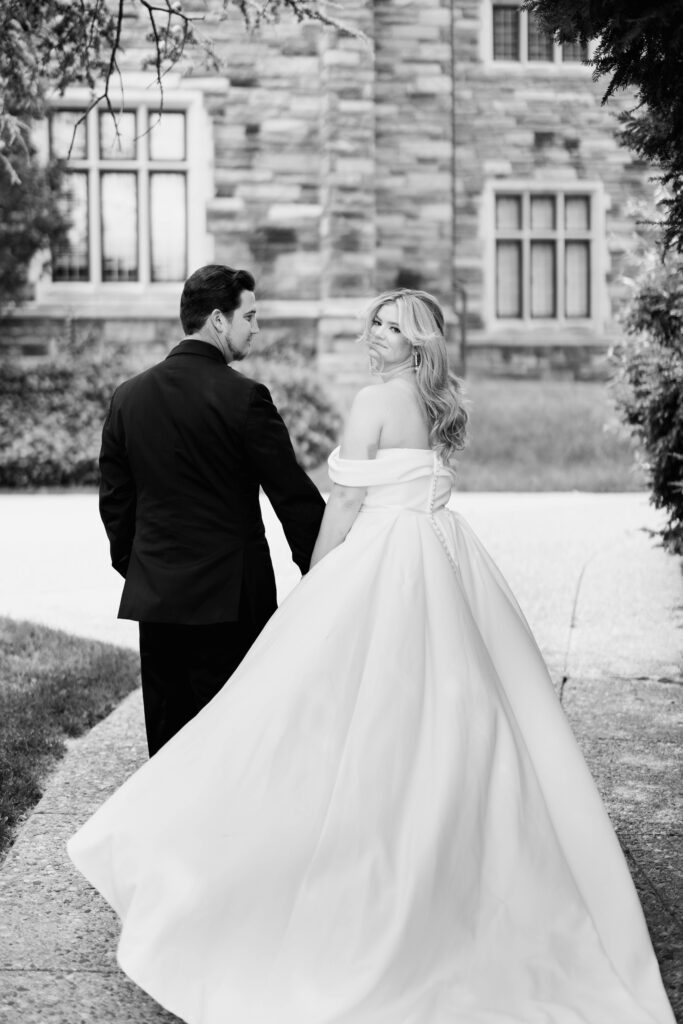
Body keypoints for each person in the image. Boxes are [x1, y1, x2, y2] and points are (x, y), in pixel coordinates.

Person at [70, 288, 675, 1024]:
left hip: (383, 565)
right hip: (443, 561)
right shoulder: (433, 404)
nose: (375, 336)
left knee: (331, 719)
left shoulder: (372, 401)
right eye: (374, 325)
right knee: (456, 716)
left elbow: (347, 506)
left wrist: (318, 584)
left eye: (390, 328)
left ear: (417, 342)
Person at [98, 264, 325, 756]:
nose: (257, 327)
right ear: (219, 321)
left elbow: (116, 503)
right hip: (233, 603)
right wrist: (325, 571)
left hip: (158, 599)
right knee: (234, 742)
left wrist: (140, 568)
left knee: (170, 737)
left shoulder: (128, 397)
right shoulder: (245, 398)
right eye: (251, 315)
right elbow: (292, 497)